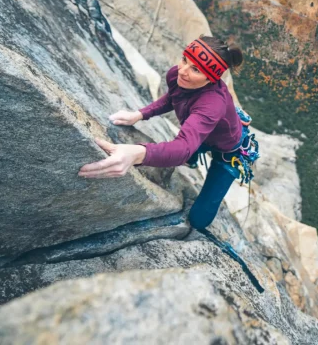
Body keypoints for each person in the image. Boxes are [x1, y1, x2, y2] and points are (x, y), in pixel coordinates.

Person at [78, 36, 259, 230]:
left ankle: (197, 155)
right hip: (206, 130)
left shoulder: (212, 104)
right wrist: (139, 114)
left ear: (211, 79)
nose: (183, 71)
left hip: (229, 151)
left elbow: (182, 149)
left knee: (198, 220)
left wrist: (137, 154)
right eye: (184, 59)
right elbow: (173, 98)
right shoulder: (177, 75)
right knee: (190, 147)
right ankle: (195, 152)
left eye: (196, 69)